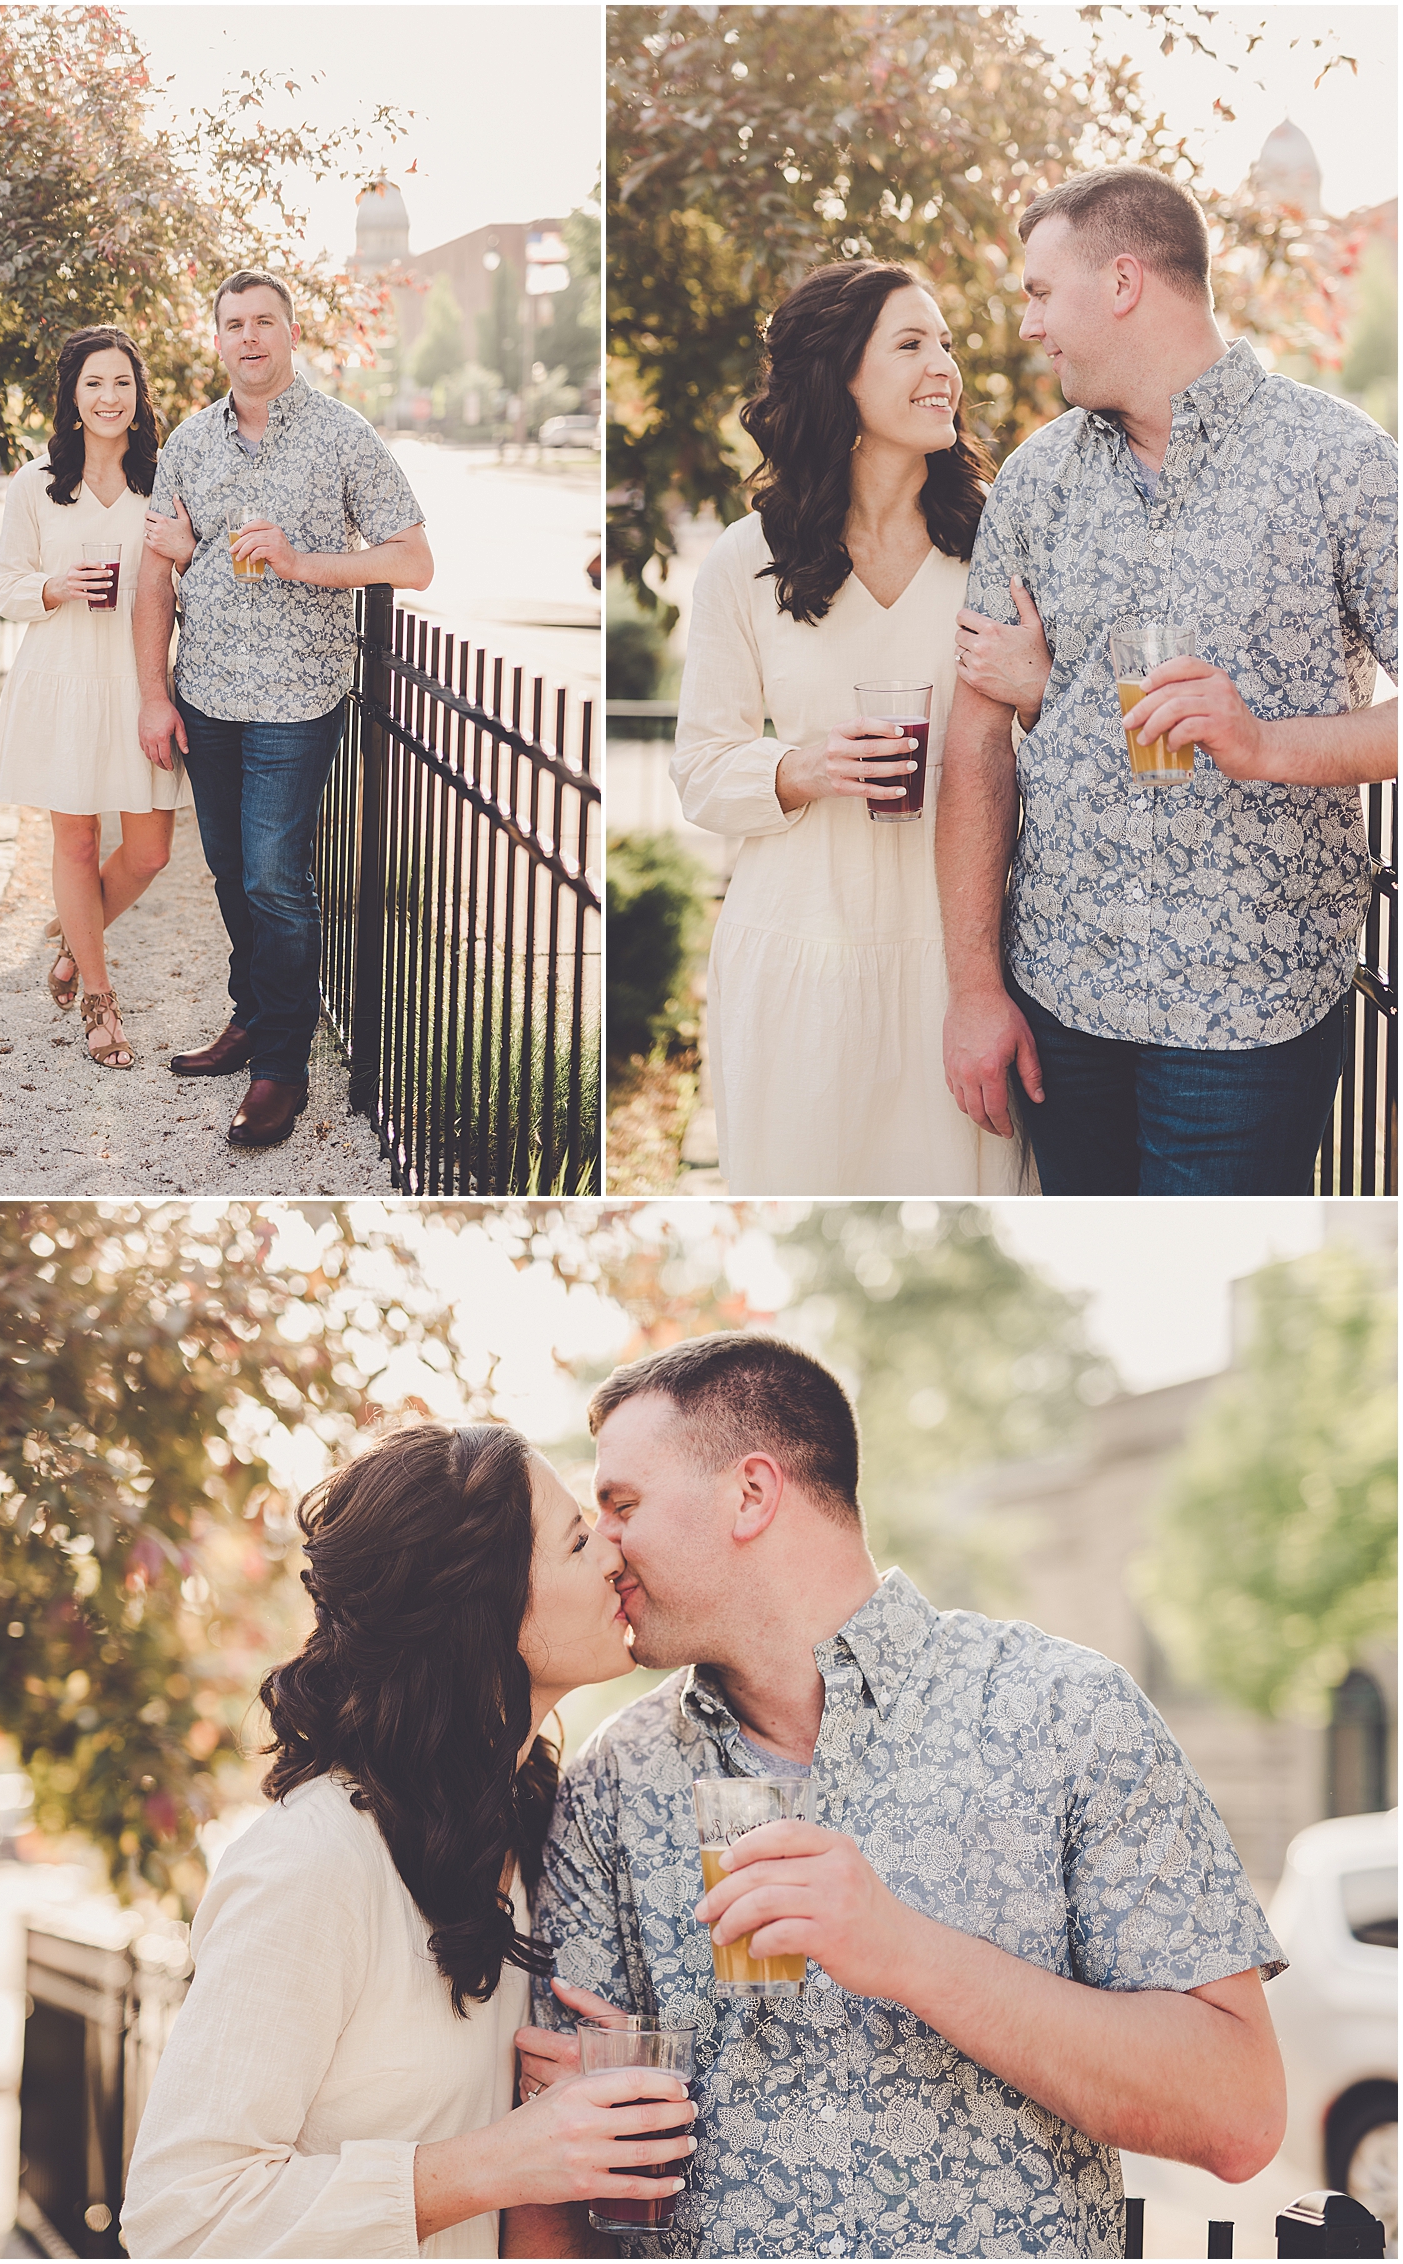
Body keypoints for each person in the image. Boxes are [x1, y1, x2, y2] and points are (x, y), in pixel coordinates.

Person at [509, 1334, 1287, 2261]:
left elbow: (1239, 2115)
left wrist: (902, 1951)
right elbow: (549, 2194)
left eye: (623, 1503)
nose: (605, 1542)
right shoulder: (612, 1779)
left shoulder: (1066, 1713)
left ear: (750, 1494)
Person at [121, 1421, 697, 2259]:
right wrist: (504, 2161)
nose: (615, 1552)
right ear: (485, 1607)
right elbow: (182, 2215)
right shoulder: (314, 1862)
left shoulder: (525, 1831)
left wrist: (556, 2102)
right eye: (577, 1541)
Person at [938, 165, 1399, 1195]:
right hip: (1061, 1000)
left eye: (1038, 291)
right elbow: (976, 742)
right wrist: (975, 985)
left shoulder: (1342, 462)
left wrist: (1267, 742)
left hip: (1252, 1017)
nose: (1027, 323)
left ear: (1122, 281)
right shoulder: (1036, 479)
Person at [669, 260, 1047, 1195]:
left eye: (947, 345)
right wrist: (805, 767)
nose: (944, 370)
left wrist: (1039, 691)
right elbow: (700, 771)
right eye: (911, 345)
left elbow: (1059, 755)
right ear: (839, 374)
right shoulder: (743, 561)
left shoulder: (1000, 548)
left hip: (961, 969)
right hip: (796, 961)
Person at [133, 270, 433, 1148]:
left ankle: (281, 1070)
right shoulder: (189, 442)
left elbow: (412, 562)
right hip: (209, 694)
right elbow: (158, 571)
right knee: (229, 868)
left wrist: (304, 561)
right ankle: (251, 1019)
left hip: (298, 700)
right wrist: (155, 693)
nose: (250, 337)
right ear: (217, 340)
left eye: (265, 321)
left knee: (274, 877)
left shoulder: (344, 437)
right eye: (234, 325)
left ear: (292, 334)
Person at [0, 327, 194, 1069]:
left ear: (139, 398)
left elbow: (184, 580)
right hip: (61, 679)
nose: (110, 398)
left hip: (139, 684)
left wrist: (190, 557)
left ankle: (76, 943)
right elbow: (6, 587)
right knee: (73, 842)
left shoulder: (165, 480)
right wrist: (52, 587)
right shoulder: (34, 482)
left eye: (123, 385)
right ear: (73, 397)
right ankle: (101, 1004)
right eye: (95, 384)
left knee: (149, 852)